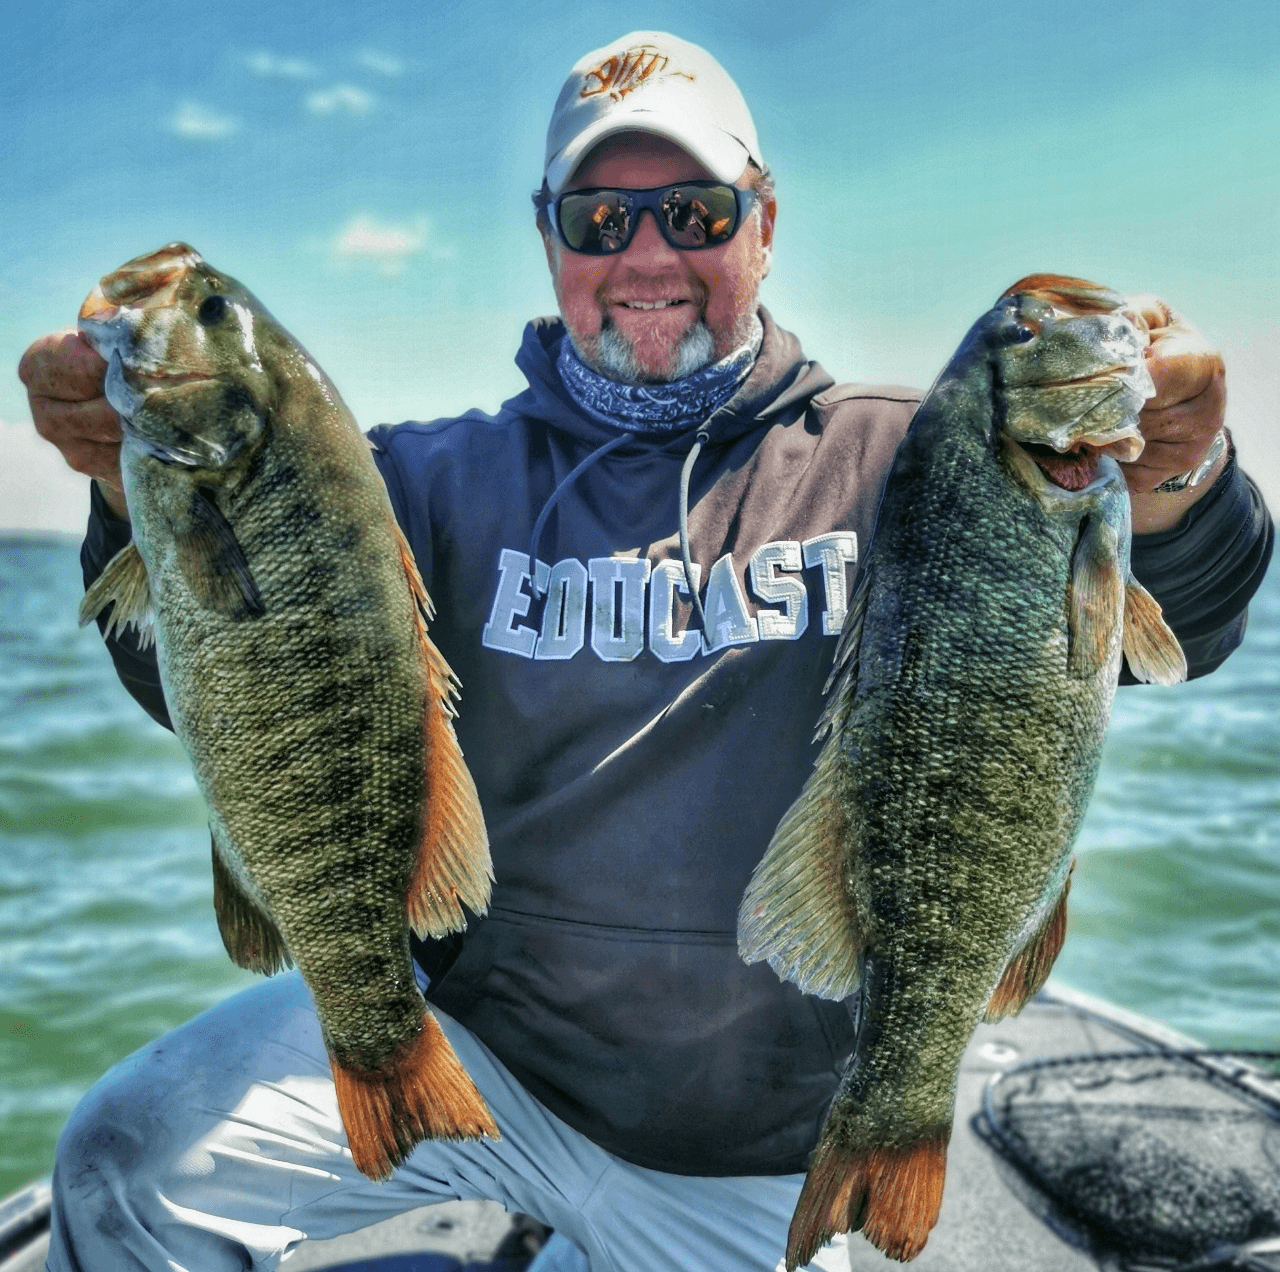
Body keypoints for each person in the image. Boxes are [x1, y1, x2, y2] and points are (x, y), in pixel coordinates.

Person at [18, 30, 1274, 1272]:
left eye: (694, 208)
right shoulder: (417, 478)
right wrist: (129, 497)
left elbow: (1183, 619)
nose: (648, 254)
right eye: (598, 219)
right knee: (126, 1159)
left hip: (753, 1146)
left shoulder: (912, 459)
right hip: (473, 1054)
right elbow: (238, 696)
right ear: (548, 239)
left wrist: (1177, 469)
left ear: (763, 223)